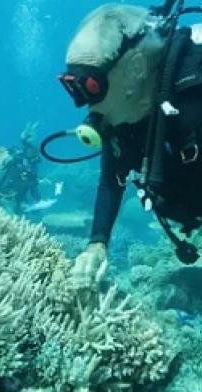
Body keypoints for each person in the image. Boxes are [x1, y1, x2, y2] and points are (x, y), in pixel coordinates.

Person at [56, 2, 202, 287]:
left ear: (135, 68)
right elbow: (112, 181)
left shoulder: (194, 93)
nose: (89, 109)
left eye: (95, 88)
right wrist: (97, 244)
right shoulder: (122, 121)